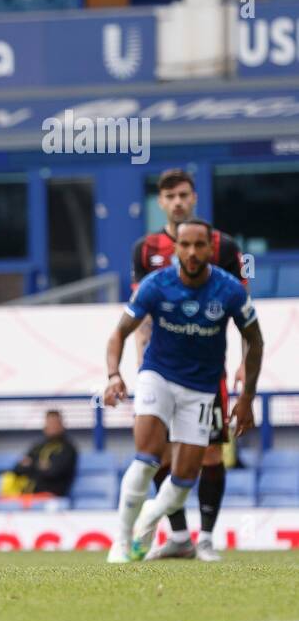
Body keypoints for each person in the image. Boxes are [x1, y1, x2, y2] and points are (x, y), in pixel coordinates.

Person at [104, 218, 262, 563]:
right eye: (185, 245)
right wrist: (114, 374)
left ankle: (150, 517)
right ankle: (120, 542)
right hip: (157, 376)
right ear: (175, 247)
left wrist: (247, 396)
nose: (191, 252)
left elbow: (255, 338)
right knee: (147, 458)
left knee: (184, 480)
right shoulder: (155, 285)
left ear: (210, 249)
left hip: (202, 389)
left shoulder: (230, 290)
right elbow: (119, 333)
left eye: (199, 245)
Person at [133, 168, 246, 562]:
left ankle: (208, 538)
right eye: (169, 196)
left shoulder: (225, 247)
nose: (177, 202)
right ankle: (179, 537)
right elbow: (140, 315)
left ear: (194, 198)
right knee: (161, 453)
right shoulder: (146, 250)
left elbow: (243, 312)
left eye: (183, 195)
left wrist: (246, 365)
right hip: (161, 370)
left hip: (205, 371)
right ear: (160, 203)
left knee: (210, 454)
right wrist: (139, 367)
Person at [1, 410, 77, 498]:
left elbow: (53, 472)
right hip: (27, 495)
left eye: (54, 423)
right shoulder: (38, 446)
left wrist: (32, 464)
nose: (51, 426)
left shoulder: (68, 448)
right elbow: (17, 469)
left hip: (52, 496)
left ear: (61, 425)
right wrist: (39, 465)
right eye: (49, 423)